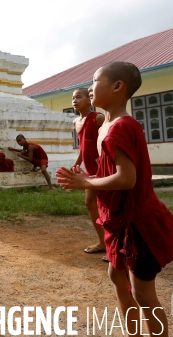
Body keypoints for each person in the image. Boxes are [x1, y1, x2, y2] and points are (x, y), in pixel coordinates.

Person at [56, 62, 173, 336]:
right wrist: (88, 173)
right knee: (116, 276)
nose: (89, 88)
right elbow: (110, 168)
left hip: (139, 224)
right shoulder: (108, 125)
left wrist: (86, 182)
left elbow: (127, 178)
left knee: (143, 293)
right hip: (120, 221)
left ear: (117, 87)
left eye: (94, 81)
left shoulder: (119, 128)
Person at [71, 88, 106, 257]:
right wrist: (77, 163)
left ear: (88, 99)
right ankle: (103, 241)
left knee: (107, 206)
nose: (74, 100)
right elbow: (83, 146)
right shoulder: (76, 122)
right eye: (73, 98)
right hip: (89, 169)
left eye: (79, 97)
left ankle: (116, 246)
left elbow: (104, 143)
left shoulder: (98, 118)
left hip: (103, 168)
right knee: (90, 203)